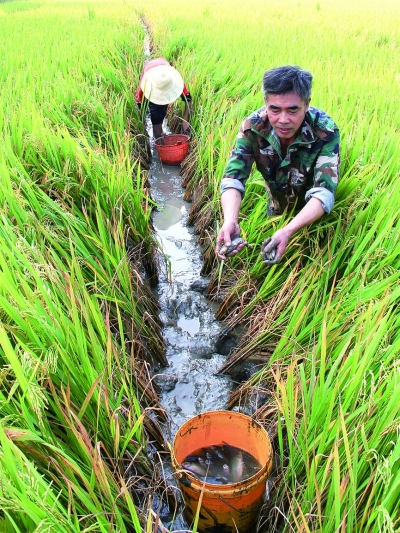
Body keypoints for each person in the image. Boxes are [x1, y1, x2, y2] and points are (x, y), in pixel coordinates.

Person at [215, 65, 340, 264]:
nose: (283, 120)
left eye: (292, 110)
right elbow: (233, 178)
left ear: (307, 104)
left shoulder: (325, 131)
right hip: (276, 206)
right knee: (271, 262)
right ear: (266, 102)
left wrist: (290, 229)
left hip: (314, 214)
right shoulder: (252, 128)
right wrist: (230, 219)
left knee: (309, 264)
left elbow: (324, 192)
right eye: (275, 109)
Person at [135, 57, 192, 139]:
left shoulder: (176, 82)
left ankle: (160, 131)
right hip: (150, 70)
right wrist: (144, 124)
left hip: (163, 65)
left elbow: (188, 99)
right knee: (156, 116)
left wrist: (185, 120)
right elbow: (140, 103)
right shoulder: (145, 86)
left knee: (162, 111)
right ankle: (158, 137)